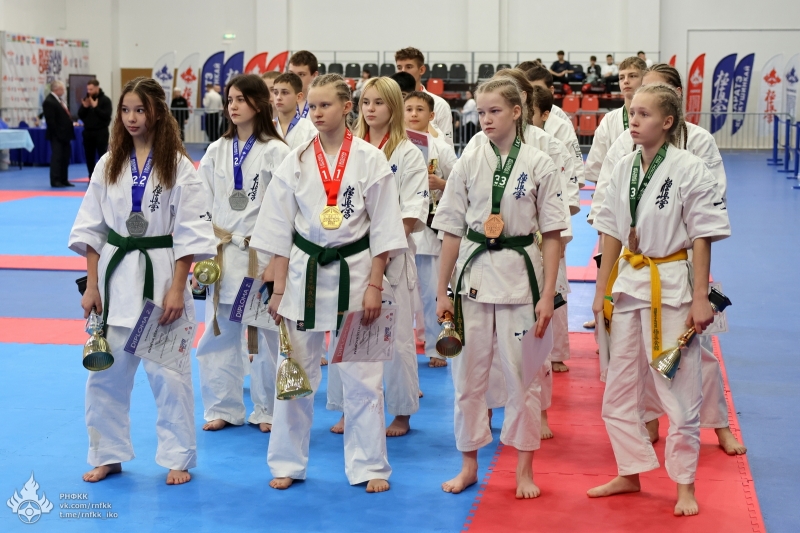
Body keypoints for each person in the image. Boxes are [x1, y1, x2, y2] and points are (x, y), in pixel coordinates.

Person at [250, 73, 407, 493]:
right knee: (295, 373)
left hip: (355, 271)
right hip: (303, 274)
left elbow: (385, 228)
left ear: (346, 108)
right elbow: (278, 228)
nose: (317, 113)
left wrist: (375, 285)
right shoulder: (297, 160)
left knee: (363, 376)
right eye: (313, 107)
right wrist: (277, 290)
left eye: (326, 105)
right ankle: (287, 461)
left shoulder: (370, 160)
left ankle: (369, 464)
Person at [587, 83, 730, 516]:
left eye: (644, 114)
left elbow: (703, 236)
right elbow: (610, 231)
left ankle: (685, 485)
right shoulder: (623, 166)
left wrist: (701, 296)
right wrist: (600, 291)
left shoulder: (689, 168)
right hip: (628, 285)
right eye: (632, 113)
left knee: (678, 392)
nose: (633, 121)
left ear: (667, 122)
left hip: (671, 286)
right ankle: (629, 472)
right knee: (618, 389)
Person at [68, 76, 216, 485]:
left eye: (140, 110)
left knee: (169, 375)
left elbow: (190, 234)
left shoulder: (179, 167)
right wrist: (92, 285)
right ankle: (108, 453)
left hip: (162, 273)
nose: (132, 118)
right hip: (116, 280)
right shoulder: (109, 163)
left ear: (158, 113)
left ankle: (178, 456)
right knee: (105, 374)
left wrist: (177, 288)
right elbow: (92, 230)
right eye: (126, 110)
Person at [433, 77, 565, 498]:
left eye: (495, 111)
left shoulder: (540, 163)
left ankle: (524, 470)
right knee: (467, 379)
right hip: (473, 278)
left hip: (522, 281)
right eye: (481, 112)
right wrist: (441, 291)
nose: (486, 119)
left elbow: (553, 234)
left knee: (523, 378)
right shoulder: (469, 161)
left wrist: (548, 295)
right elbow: (450, 229)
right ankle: (468, 465)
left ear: (516, 112)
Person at [328, 77, 428, 437]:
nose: (370, 109)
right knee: (345, 331)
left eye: (379, 102)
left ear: (393, 107)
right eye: (365, 102)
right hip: (349, 255)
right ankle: (347, 407)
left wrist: (379, 251)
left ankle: (401, 412)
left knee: (396, 339)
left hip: (392, 257)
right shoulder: (347, 150)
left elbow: (411, 214)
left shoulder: (408, 153)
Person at [194, 74, 290, 434]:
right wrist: (202, 255)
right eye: (230, 100)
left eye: (240, 99)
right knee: (219, 332)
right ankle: (223, 406)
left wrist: (278, 259)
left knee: (265, 335)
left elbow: (286, 210)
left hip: (260, 254)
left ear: (259, 103)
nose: (232, 106)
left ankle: (267, 409)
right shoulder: (216, 150)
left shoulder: (277, 152)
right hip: (222, 254)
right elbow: (200, 204)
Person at [582, 56, 646, 330]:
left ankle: (631, 320)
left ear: (644, 78)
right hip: (614, 204)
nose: (626, 81)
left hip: (646, 207)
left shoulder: (653, 118)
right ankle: (604, 320)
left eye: (632, 76)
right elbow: (597, 167)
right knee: (606, 265)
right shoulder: (610, 121)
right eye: (621, 77)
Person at [405, 90, 458, 369]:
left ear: (431, 115)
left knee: (430, 293)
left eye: (419, 110)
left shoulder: (442, 148)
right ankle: (398, 347)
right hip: (400, 229)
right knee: (402, 295)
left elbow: (461, 184)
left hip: (429, 229)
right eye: (409, 109)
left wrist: (442, 183)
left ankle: (436, 346)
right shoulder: (393, 146)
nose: (413, 114)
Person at [395, 47, 454, 145]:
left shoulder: (439, 105)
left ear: (421, 70)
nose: (403, 72)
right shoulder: (391, 102)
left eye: (409, 67)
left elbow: (448, 146)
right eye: (399, 68)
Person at [42, 80, 76, 187]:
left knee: (65, 158)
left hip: (65, 135)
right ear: (57, 89)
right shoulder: (49, 101)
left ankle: (63, 179)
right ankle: (55, 180)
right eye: (62, 89)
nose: (64, 91)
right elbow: (51, 121)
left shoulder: (60, 100)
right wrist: (58, 134)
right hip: (57, 135)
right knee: (57, 158)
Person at [272, 72, 318, 150]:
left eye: (285, 92)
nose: (278, 97)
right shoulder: (268, 128)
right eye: (276, 93)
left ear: (299, 97)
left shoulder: (310, 129)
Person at [78, 79, 113, 177]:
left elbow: (106, 116)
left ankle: (104, 176)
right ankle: (91, 176)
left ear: (97, 88)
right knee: (89, 156)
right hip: (88, 132)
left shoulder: (105, 100)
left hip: (101, 132)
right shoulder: (87, 99)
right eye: (88, 89)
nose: (89, 91)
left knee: (103, 155)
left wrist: (96, 107)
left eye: (91, 89)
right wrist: (85, 107)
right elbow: (80, 115)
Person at [287, 50, 320, 119]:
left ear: (314, 76)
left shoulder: (323, 102)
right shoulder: (280, 103)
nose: (294, 79)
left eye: (301, 74)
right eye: (291, 74)